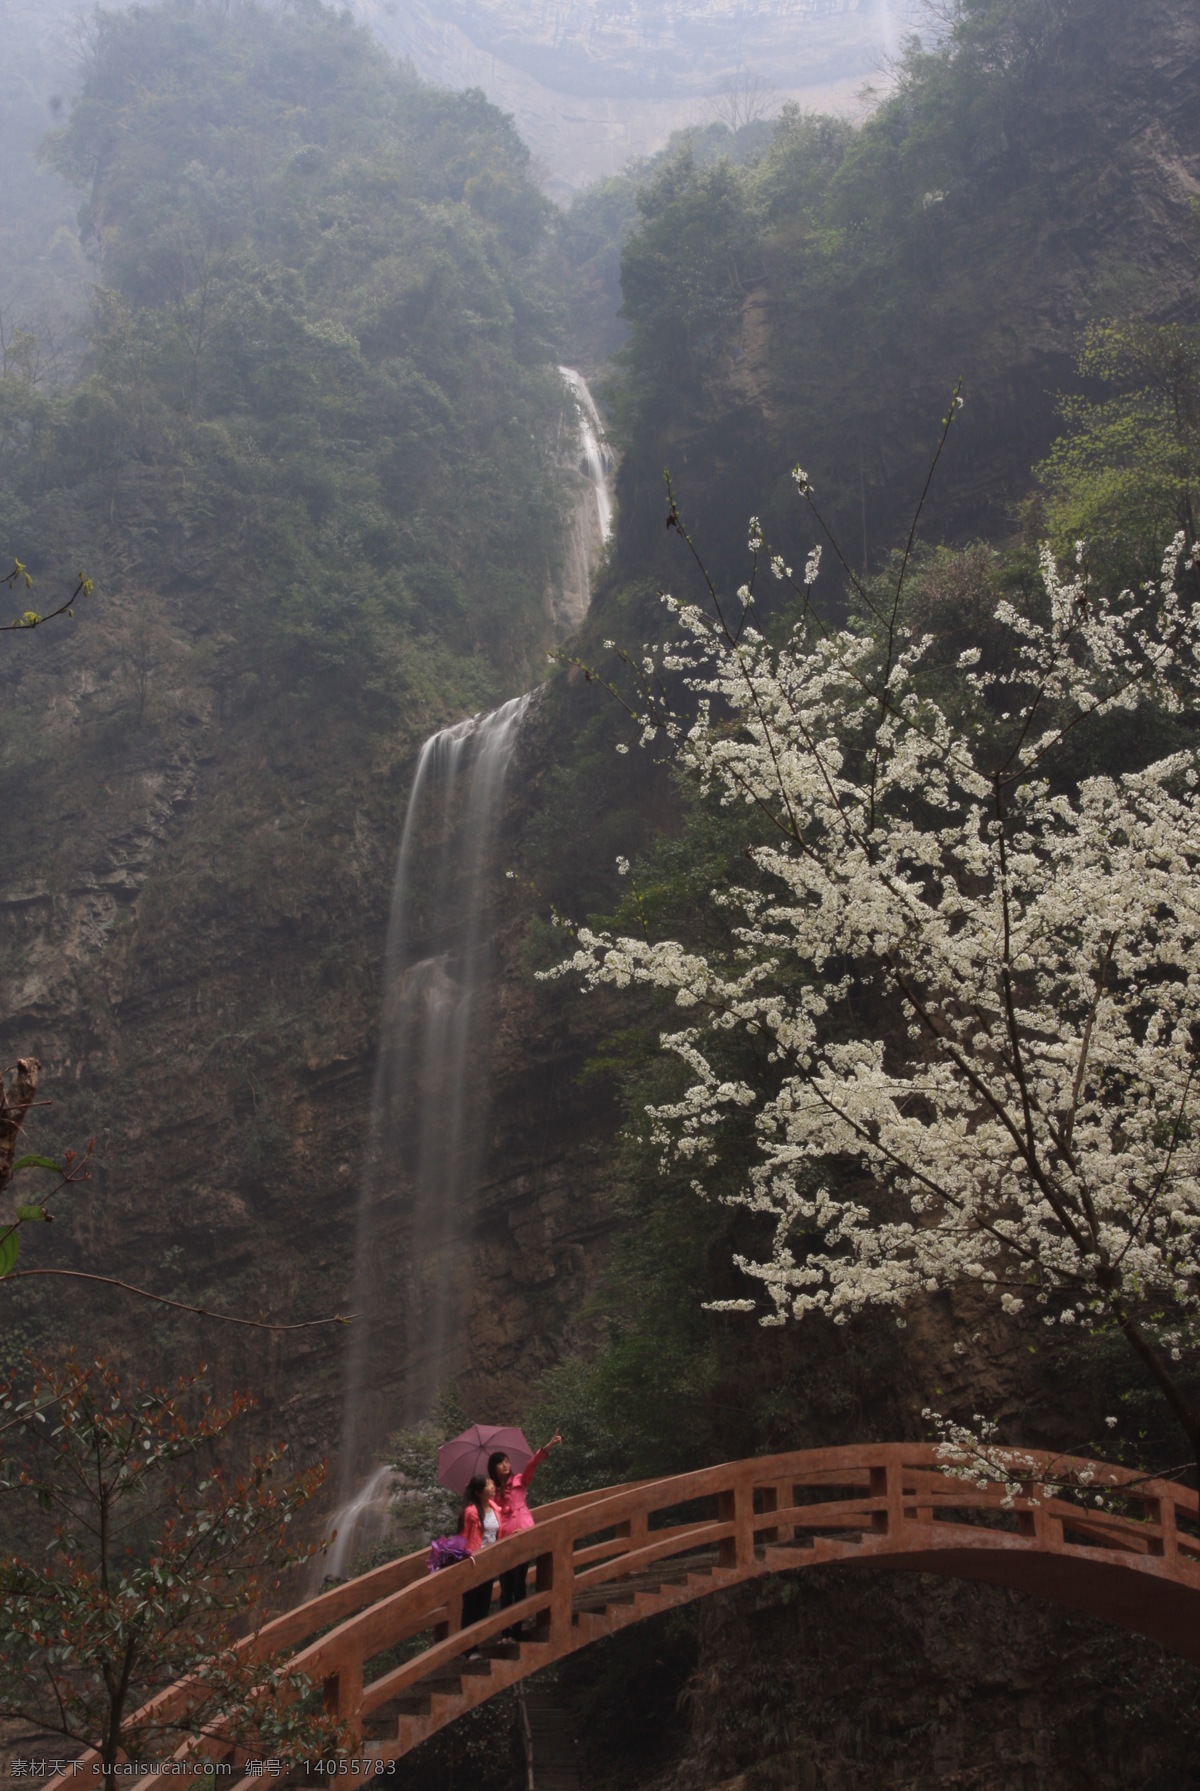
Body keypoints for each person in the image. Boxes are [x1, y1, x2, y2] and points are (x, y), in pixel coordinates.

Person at [488, 1432, 562, 1630]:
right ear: (493, 1469)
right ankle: (505, 1633)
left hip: (522, 1534)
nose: (505, 1465)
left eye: (506, 1461)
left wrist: (547, 1446)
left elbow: (532, 1465)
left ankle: (517, 1630)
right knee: (505, 1587)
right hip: (503, 1539)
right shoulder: (491, 1493)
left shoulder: (520, 1481)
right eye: (500, 1463)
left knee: (519, 1584)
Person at [458, 1474, 501, 1647]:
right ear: (478, 1492)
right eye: (487, 1484)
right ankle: (468, 1649)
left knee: (484, 1604)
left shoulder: (495, 1508)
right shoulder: (470, 1513)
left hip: (489, 1563)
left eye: (492, 1483)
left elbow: (498, 1532)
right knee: (471, 1606)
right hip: (474, 1563)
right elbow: (462, 1538)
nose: (492, 1485)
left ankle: (477, 1646)